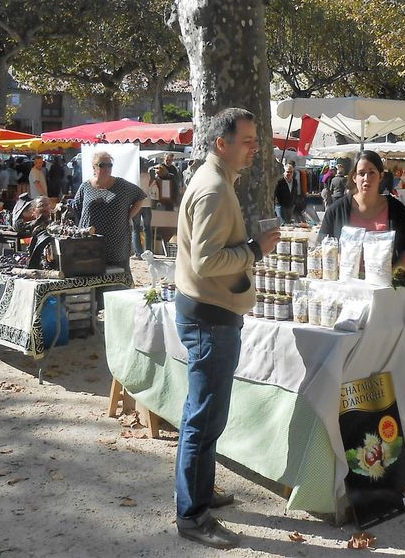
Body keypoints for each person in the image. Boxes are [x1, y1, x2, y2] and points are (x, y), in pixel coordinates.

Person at [172, 108, 280, 549]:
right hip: (210, 317)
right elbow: (207, 260)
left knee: (203, 414)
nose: (255, 148)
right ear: (222, 143)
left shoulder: (215, 180)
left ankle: (198, 492)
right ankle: (193, 516)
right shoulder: (215, 188)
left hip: (208, 312)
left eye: (256, 140)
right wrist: (254, 248)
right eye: (249, 140)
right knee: (205, 417)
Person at [318, 150, 405, 309]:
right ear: (354, 177)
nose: (366, 179)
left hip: (387, 292)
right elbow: (322, 246)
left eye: (371, 173)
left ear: (381, 176)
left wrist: (391, 274)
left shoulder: (397, 209)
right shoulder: (336, 210)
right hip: (347, 290)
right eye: (361, 173)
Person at [70, 150, 146, 270]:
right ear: (94, 168)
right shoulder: (85, 186)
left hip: (116, 241)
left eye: (109, 165)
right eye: (102, 165)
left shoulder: (122, 185)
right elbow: (76, 209)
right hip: (90, 243)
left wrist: (128, 216)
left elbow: (140, 196)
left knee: (116, 275)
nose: (106, 168)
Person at [132, 159, 154, 259]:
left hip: (136, 203)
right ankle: (148, 251)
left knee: (136, 228)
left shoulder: (133, 176)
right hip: (147, 202)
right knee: (147, 228)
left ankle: (138, 253)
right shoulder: (148, 175)